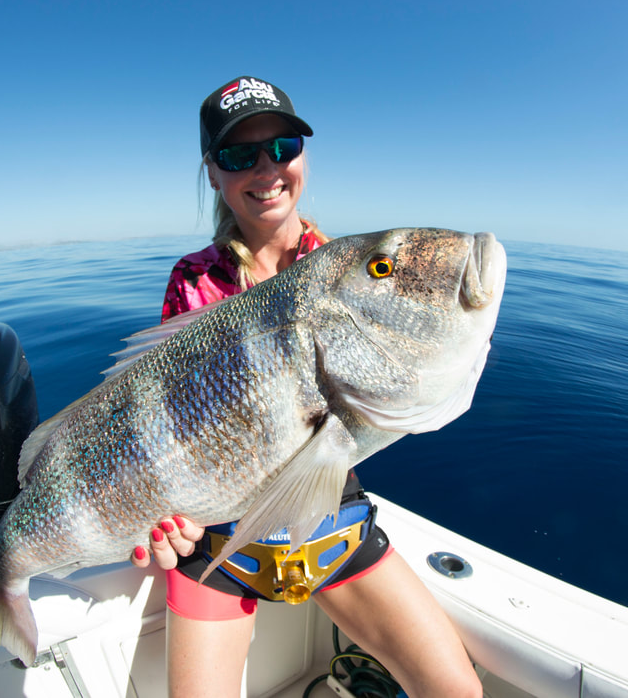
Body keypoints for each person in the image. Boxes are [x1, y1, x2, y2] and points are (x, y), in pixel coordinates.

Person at [130, 76, 483, 698]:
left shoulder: (345, 266)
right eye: (240, 155)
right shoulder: (193, 279)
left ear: (304, 157)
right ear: (213, 173)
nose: (266, 168)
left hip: (331, 525)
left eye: (283, 146)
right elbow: (166, 428)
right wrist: (162, 519)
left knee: (457, 690)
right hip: (219, 548)